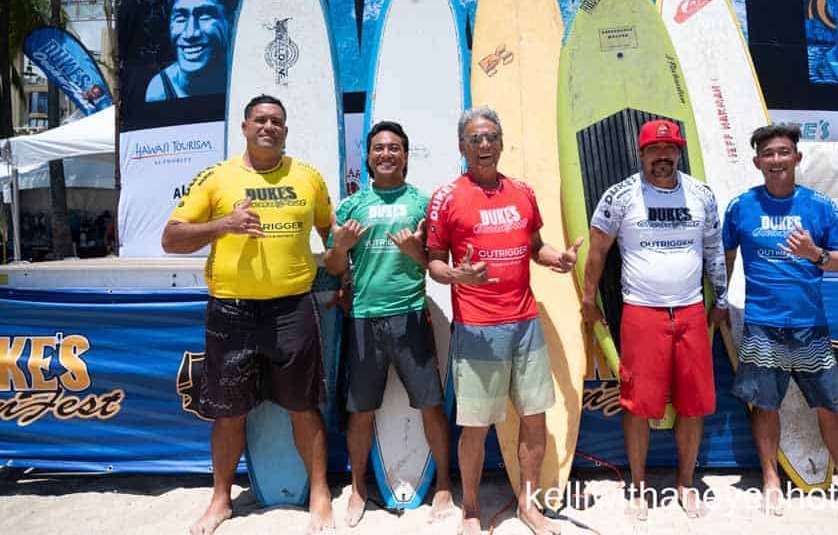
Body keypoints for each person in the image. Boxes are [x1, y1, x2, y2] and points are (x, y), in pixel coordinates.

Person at [161, 94, 335, 535]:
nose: (268, 127)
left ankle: (319, 494)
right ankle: (220, 499)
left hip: (293, 308)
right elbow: (171, 238)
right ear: (244, 127)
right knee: (228, 411)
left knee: (303, 406)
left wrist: (343, 259)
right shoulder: (217, 178)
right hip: (232, 311)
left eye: (277, 121)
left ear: (286, 130)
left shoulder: (308, 177)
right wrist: (223, 225)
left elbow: (330, 233)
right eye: (260, 120)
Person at [425, 107, 582, 535]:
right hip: (477, 329)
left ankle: (529, 506)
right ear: (462, 147)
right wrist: (458, 275)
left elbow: (535, 246)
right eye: (475, 139)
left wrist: (559, 260)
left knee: (535, 418)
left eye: (491, 137)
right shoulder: (447, 196)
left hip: (525, 323)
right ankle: (472, 508)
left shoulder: (523, 192)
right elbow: (434, 262)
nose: (484, 146)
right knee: (474, 427)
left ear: (501, 141)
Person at [722, 124, 838, 517]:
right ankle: (771, 481)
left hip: (809, 326)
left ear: (797, 157)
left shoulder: (819, 206)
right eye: (769, 154)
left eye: (783, 152)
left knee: (832, 407)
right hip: (761, 325)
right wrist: (721, 301)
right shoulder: (740, 207)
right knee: (765, 406)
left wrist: (815, 253)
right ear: (757, 161)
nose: (776, 160)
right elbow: (724, 259)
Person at [580, 119, 729, 520]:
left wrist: (723, 298)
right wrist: (588, 298)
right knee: (638, 405)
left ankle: (685, 483)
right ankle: (638, 485)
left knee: (693, 405)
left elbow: (714, 249)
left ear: (679, 152)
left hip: (692, 310)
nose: (662, 158)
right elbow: (597, 252)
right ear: (641, 154)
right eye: (654, 151)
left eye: (670, 151)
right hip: (641, 313)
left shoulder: (701, 195)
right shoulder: (620, 195)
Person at [323, 121, 454, 527]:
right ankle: (359, 489)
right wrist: (341, 248)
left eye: (394, 148)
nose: (386, 154)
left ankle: (445, 485)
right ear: (368, 156)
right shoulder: (351, 206)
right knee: (361, 410)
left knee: (430, 404)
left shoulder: (422, 203)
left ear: (406, 156)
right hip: (364, 320)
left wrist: (417, 252)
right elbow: (332, 265)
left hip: (412, 316)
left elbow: (436, 265)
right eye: (378, 148)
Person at [145, 0, 242, 102]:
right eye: (180, 17)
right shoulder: (160, 91)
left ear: (231, 19)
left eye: (205, 15)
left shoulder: (246, 80)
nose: (190, 33)